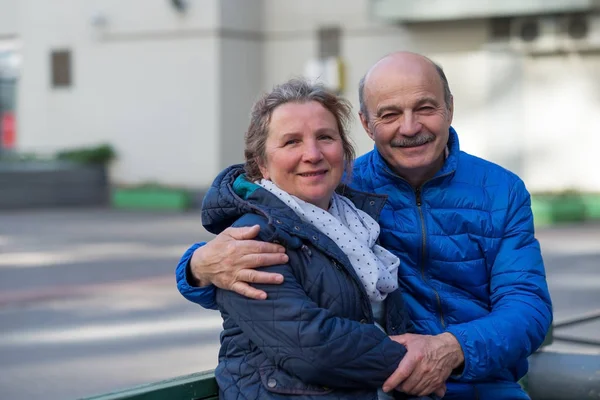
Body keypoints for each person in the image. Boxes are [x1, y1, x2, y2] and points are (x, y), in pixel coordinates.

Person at [177, 52, 553, 399]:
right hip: (392, 383)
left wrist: (452, 348)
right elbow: (258, 249)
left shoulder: (501, 190)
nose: (409, 127)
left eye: (425, 108)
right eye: (389, 114)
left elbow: (527, 305)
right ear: (366, 124)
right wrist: (196, 266)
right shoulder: (339, 185)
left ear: (450, 108)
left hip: (481, 378)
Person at [195, 78, 442, 399]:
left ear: (344, 151)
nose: (312, 154)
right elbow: (311, 345)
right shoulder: (250, 237)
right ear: (262, 164)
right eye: (291, 142)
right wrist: (417, 364)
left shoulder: (360, 223)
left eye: (325, 137)